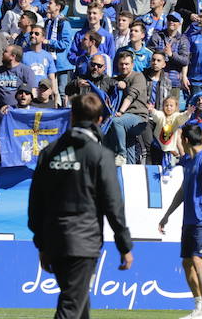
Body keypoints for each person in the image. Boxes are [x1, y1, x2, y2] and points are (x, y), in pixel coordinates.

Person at [28, 93, 134, 319]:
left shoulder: (49, 152)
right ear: (99, 120)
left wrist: (42, 244)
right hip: (83, 241)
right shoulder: (100, 155)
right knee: (70, 307)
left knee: (77, 301)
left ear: (72, 115)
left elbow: (36, 202)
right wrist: (124, 245)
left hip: (55, 239)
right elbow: (113, 204)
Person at [159, 123, 202, 319]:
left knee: (199, 261)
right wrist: (167, 215)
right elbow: (183, 191)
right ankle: (198, 308)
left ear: (185, 140)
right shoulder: (189, 161)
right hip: (188, 220)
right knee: (187, 263)